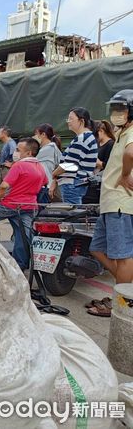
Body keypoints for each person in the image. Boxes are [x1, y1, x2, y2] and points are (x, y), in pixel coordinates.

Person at [88, 90, 133, 317]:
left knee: (122, 256)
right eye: (115, 109)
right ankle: (126, 292)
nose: (116, 114)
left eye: (121, 110)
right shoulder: (122, 132)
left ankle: (122, 304)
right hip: (110, 203)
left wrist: (125, 176)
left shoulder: (132, 132)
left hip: (120, 203)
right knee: (96, 248)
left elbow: (131, 153)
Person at [0, 138, 47, 270]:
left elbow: (4, 186)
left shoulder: (20, 165)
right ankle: (21, 265)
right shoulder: (39, 166)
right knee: (24, 237)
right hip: (29, 207)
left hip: (10, 204)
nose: (15, 152)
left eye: (18, 150)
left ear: (28, 153)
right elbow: (44, 182)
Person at [50, 107, 98, 204]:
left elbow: (69, 164)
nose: (68, 121)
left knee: (72, 215)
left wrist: (54, 174)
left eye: (71, 118)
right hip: (75, 183)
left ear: (81, 121)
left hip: (73, 183)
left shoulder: (82, 138)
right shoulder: (84, 137)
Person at [83, 119, 115, 203]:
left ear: (101, 131)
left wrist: (97, 162)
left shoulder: (111, 144)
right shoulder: (97, 145)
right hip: (93, 183)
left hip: (102, 185)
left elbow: (110, 166)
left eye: (94, 135)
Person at [33, 123, 62, 203]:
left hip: (44, 186)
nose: (34, 137)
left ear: (43, 134)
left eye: (36, 134)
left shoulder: (48, 149)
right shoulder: (51, 147)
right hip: (45, 185)